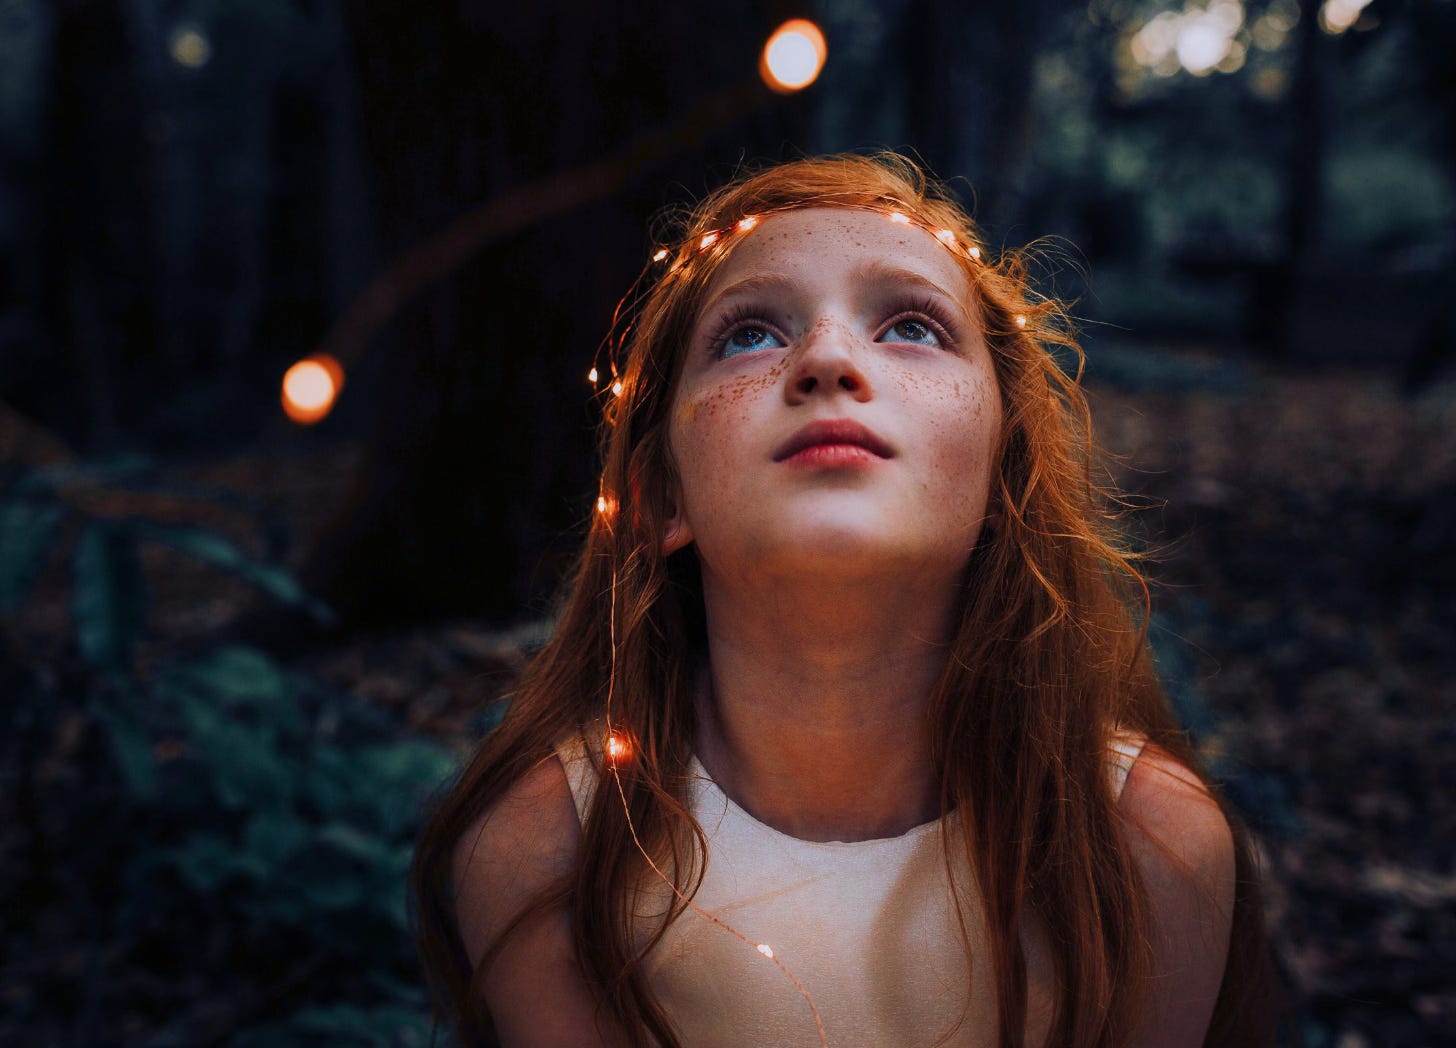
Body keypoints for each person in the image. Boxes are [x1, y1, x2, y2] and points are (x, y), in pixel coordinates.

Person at [411, 153, 1280, 1047]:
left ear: (1002, 471)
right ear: (659, 497)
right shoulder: (550, 850)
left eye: (911, 324)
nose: (826, 357)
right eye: (749, 334)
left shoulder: (1144, 843)